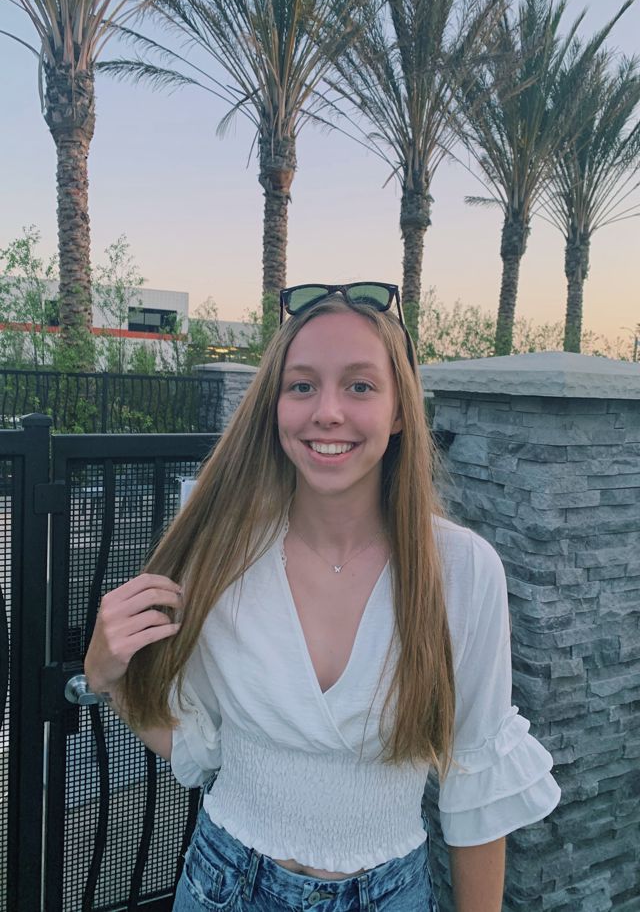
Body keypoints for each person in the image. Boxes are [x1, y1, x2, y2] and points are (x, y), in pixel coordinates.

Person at [84, 283, 561, 912]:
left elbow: (477, 785)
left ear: (399, 411)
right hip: (224, 886)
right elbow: (199, 750)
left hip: (391, 895)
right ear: (274, 407)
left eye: (360, 386)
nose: (327, 412)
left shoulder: (462, 570)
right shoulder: (221, 556)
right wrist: (107, 678)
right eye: (302, 385)